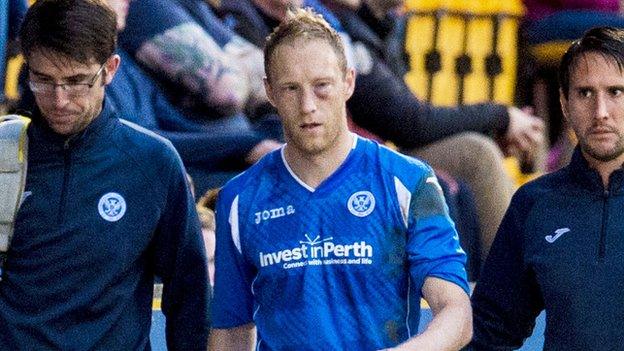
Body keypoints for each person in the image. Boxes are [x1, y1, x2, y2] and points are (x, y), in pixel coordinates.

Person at [210, 8, 471, 350]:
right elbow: (231, 332)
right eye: (291, 89)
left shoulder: (407, 182)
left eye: (322, 87)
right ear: (270, 92)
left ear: (348, 82)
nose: (307, 106)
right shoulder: (240, 199)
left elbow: (456, 312)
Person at [216, 0, 544, 266]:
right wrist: (499, 115)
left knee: (471, 158)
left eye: (321, 86)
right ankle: (514, 283)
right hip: (306, 151)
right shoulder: (255, 21)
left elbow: (406, 113)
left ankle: (512, 290)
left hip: (370, 145)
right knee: (469, 158)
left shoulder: (350, 25)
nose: (306, 102)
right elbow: (410, 121)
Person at [3, 0, 210, 349]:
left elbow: (189, 298)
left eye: (76, 81)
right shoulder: (5, 156)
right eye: (43, 80)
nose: (59, 99)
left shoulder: (153, 163)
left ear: (110, 69)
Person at [470, 26, 624, 350]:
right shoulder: (534, 204)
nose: (601, 113)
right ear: (565, 105)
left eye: (616, 92)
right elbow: (488, 330)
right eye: (585, 93)